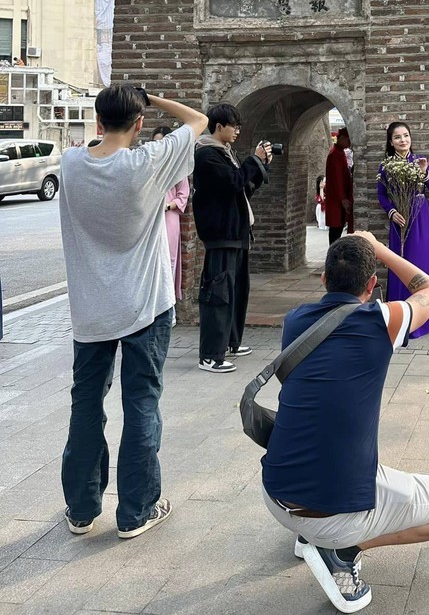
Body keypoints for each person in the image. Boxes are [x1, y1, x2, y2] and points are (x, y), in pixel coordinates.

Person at [261, 231, 429, 614]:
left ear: (323, 279)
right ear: (372, 285)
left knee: (355, 458)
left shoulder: (295, 322)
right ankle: (343, 548)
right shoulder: (381, 321)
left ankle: (313, 536)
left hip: (274, 495)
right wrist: (381, 249)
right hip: (335, 514)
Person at [59, 84, 207, 539]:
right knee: (140, 402)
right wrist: (155, 99)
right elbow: (198, 122)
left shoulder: (70, 163)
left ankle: (82, 510)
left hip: (90, 312)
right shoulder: (148, 163)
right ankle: (135, 512)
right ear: (139, 123)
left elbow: (91, 149)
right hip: (145, 305)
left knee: (85, 404)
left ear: (98, 121)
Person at [193, 104, 272, 374]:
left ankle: (231, 343)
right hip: (221, 235)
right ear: (218, 126)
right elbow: (233, 182)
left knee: (237, 292)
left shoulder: (226, 154)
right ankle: (210, 355)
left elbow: (241, 190)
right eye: (234, 126)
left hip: (236, 233)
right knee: (219, 295)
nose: (237, 131)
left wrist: (259, 165)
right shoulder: (206, 154)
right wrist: (254, 160)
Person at [376, 121, 429, 339]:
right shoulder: (386, 166)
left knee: (419, 262)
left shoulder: (419, 161)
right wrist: (391, 212)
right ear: (390, 142)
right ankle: (400, 318)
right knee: (400, 263)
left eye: (406, 135)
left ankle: (423, 320)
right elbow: (382, 195)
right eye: (397, 137)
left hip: (419, 215)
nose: (403, 140)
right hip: (400, 219)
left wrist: (424, 172)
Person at [152, 126, 190, 306]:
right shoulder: (147, 164)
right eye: (155, 142)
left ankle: (167, 304)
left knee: (168, 259)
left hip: (168, 218)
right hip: (150, 218)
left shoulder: (178, 168)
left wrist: (167, 206)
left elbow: (183, 195)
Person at [325, 127, 353, 245]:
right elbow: (337, 179)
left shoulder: (339, 153)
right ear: (341, 138)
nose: (350, 144)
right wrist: (343, 198)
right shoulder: (335, 154)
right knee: (336, 229)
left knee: (338, 228)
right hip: (337, 200)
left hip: (339, 198)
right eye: (348, 140)